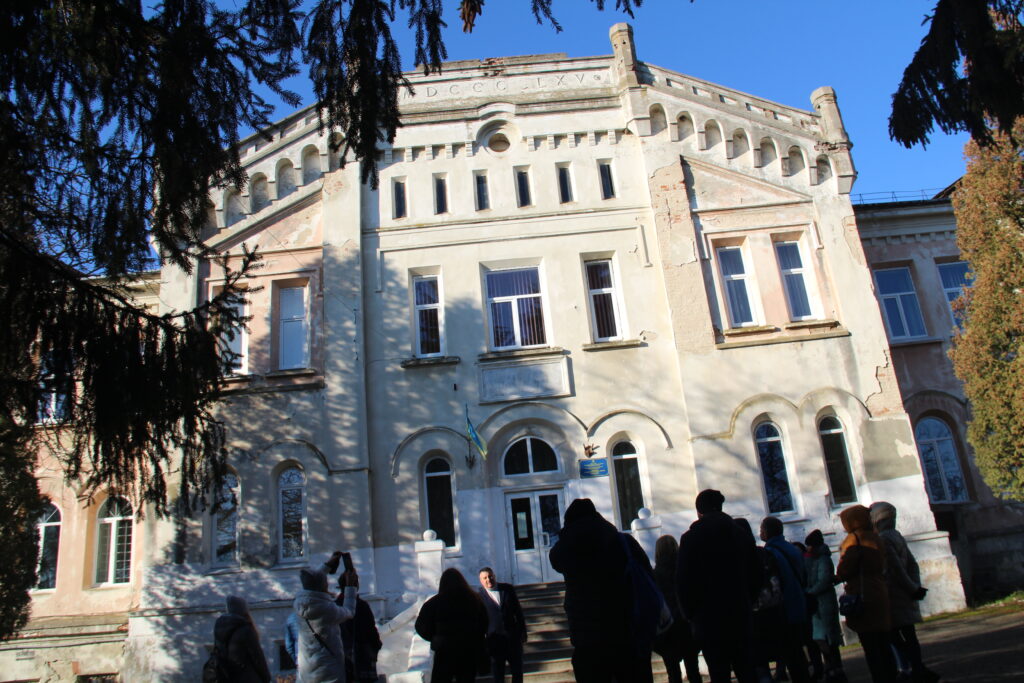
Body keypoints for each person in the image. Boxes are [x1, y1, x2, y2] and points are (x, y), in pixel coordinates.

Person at [549, 497, 653, 683]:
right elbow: (648, 576)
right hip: (625, 629)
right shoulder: (622, 541)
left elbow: (555, 560)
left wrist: (567, 534)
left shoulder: (566, 548)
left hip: (587, 635)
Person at [676, 489, 762, 683]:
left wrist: (690, 614)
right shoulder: (740, 534)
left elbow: (684, 581)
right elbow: (756, 573)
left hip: (708, 619)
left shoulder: (691, 538)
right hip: (740, 612)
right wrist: (749, 599)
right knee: (747, 670)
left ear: (699, 512)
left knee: (718, 672)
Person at [869, 502, 940, 683]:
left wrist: (912, 588)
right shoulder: (896, 535)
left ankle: (912, 669)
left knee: (894, 635)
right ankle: (916, 668)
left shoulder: (884, 539)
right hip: (905, 593)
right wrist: (915, 585)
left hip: (894, 594)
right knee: (909, 635)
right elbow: (912, 564)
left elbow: (896, 569)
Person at [835, 505, 896, 683]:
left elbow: (845, 568)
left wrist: (839, 575)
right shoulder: (876, 537)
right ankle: (891, 676)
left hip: (862, 594)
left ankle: (880, 678)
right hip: (879, 590)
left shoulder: (854, 539)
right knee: (884, 642)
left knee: (870, 645)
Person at [294, 551, 359, 683]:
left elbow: (311, 582)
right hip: (328, 671)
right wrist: (350, 587)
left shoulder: (298, 604)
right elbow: (349, 612)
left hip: (306, 672)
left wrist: (327, 566)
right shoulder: (326, 609)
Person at [415, 567, 488, 683]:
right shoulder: (474, 600)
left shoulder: (434, 603)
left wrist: (434, 637)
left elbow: (420, 626)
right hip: (468, 649)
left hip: (444, 650)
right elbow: (484, 623)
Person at [760, 517, 811, 683]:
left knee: (791, 652)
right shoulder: (791, 548)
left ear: (767, 531)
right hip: (799, 603)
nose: (760, 533)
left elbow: (776, 582)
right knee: (797, 651)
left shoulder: (771, 552)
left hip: (785, 608)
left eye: (762, 529)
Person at [652, 535, 702, 683]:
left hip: (668, 629)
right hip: (687, 625)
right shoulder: (685, 570)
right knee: (693, 670)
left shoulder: (654, 575)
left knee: (673, 673)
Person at [804, 530, 846, 683]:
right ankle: (832, 669)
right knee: (823, 639)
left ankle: (835, 669)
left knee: (828, 640)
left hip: (824, 603)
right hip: (818, 605)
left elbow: (823, 580)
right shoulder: (814, 559)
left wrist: (809, 592)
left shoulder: (822, 559)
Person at [477, 567, 527, 683]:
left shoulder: (507, 589)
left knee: (517, 672)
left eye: (490, 576)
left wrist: (522, 631)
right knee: (498, 675)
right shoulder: (479, 597)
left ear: (494, 576)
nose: (488, 580)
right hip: (495, 641)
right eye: (485, 578)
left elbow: (518, 612)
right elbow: (480, 621)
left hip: (513, 639)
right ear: (481, 581)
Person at [212, 595, 272, 682]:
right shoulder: (246, 629)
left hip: (226, 677)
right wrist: (267, 678)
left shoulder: (220, 628)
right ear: (244, 610)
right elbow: (257, 658)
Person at [335, 572, 382, 683]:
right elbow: (371, 632)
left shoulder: (334, 606)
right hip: (362, 657)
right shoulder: (362, 606)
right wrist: (375, 647)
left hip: (340, 658)